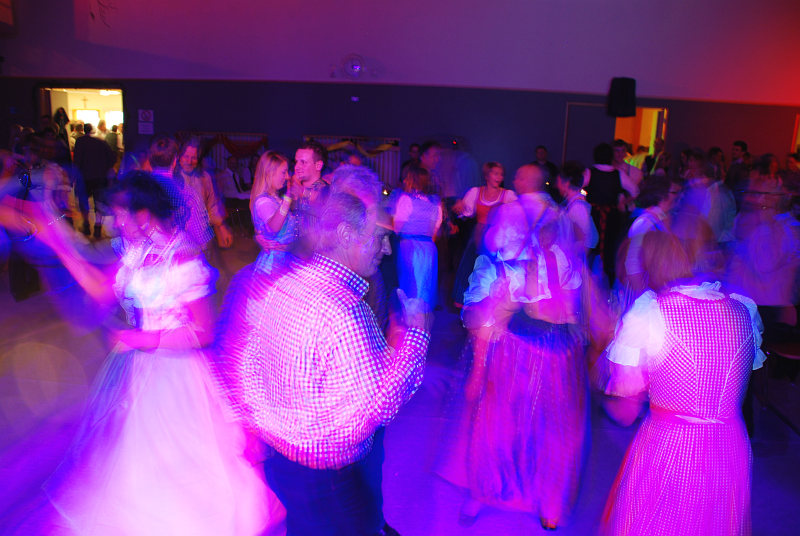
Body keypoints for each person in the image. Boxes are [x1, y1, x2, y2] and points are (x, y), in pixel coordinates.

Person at [18, 171, 281, 535]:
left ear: (143, 215)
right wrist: (59, 246)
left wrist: (142, 339)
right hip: (138, 370)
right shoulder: (134, 252)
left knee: (183, 461)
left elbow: (202, 332)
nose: (114, 221)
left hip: (177, 376)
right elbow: (98, 290)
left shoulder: (183, 259)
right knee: (133, 462)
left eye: (121, 213)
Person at [216, 165, 432, 535]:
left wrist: (266, 429)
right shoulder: (344, 311)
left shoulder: (280, 283)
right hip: (330, 476)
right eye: (378, 236)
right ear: (346, 232)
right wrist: (415, 338)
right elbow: (375, 408)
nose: (386, 248)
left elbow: (240, 364)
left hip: (284, 464)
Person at [600, 230, 765, 536]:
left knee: (658, 522)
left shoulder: (651, 313)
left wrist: (606, 388)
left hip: (671, 442)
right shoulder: (744, 307)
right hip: (730, 442)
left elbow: (624, 410)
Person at [451, 164, 586, 530]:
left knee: (548, 432)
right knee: (495, 428)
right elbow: (479, 321)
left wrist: (571, 342)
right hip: (508, 354)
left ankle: (548, 498)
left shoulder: (557, 260)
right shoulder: (497, 267)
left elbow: (571, 309)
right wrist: (478, 370)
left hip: (551, 356)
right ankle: (482, 492)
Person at [451, 161, 517, 307]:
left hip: (497, 237)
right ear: (487, 176)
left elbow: (518, 214)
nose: (498, 177)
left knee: (492, 269)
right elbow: (465, 213)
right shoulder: (476, 192)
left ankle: (491, 303)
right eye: (495, 173)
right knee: (471, 267)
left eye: (501, 174)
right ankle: (468, 304)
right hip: (479, 235)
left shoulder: (507, 195)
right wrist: (459, 207)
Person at [392, 164, 443, 309]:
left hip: (410, 246)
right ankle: (422, 323)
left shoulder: (406, 199)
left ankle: (409, 322)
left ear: (410, 179)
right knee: (426, 287)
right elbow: (436, 227)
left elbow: (397, 227)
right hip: (429, 247)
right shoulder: (435, 201)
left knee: (410, 286)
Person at [174, 137, 234, 250]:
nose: (189, 161)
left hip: (202, 236)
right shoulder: (173, 177)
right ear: (180, 157)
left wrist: (221, 227)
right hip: (180, 241)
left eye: (194, 158)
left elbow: (212, 205)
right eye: (186, 156)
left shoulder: (204, 177)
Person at [249, 151, 303, 274]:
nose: (287, 177)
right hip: (274, 266)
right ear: (269, 173)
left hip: (284, 261)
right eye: (283, 172)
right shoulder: (263, 201)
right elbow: (273, 227)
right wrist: (288, 197)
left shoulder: (276, 199)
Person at [73, 123, 116, 237]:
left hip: (84, 177)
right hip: (100, 177)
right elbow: (112, 158)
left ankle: (86, 225)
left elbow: (77, 160)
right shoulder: (101, 142)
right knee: (99, 203)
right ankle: (98, 227)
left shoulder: (80, 142)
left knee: (83, 201)